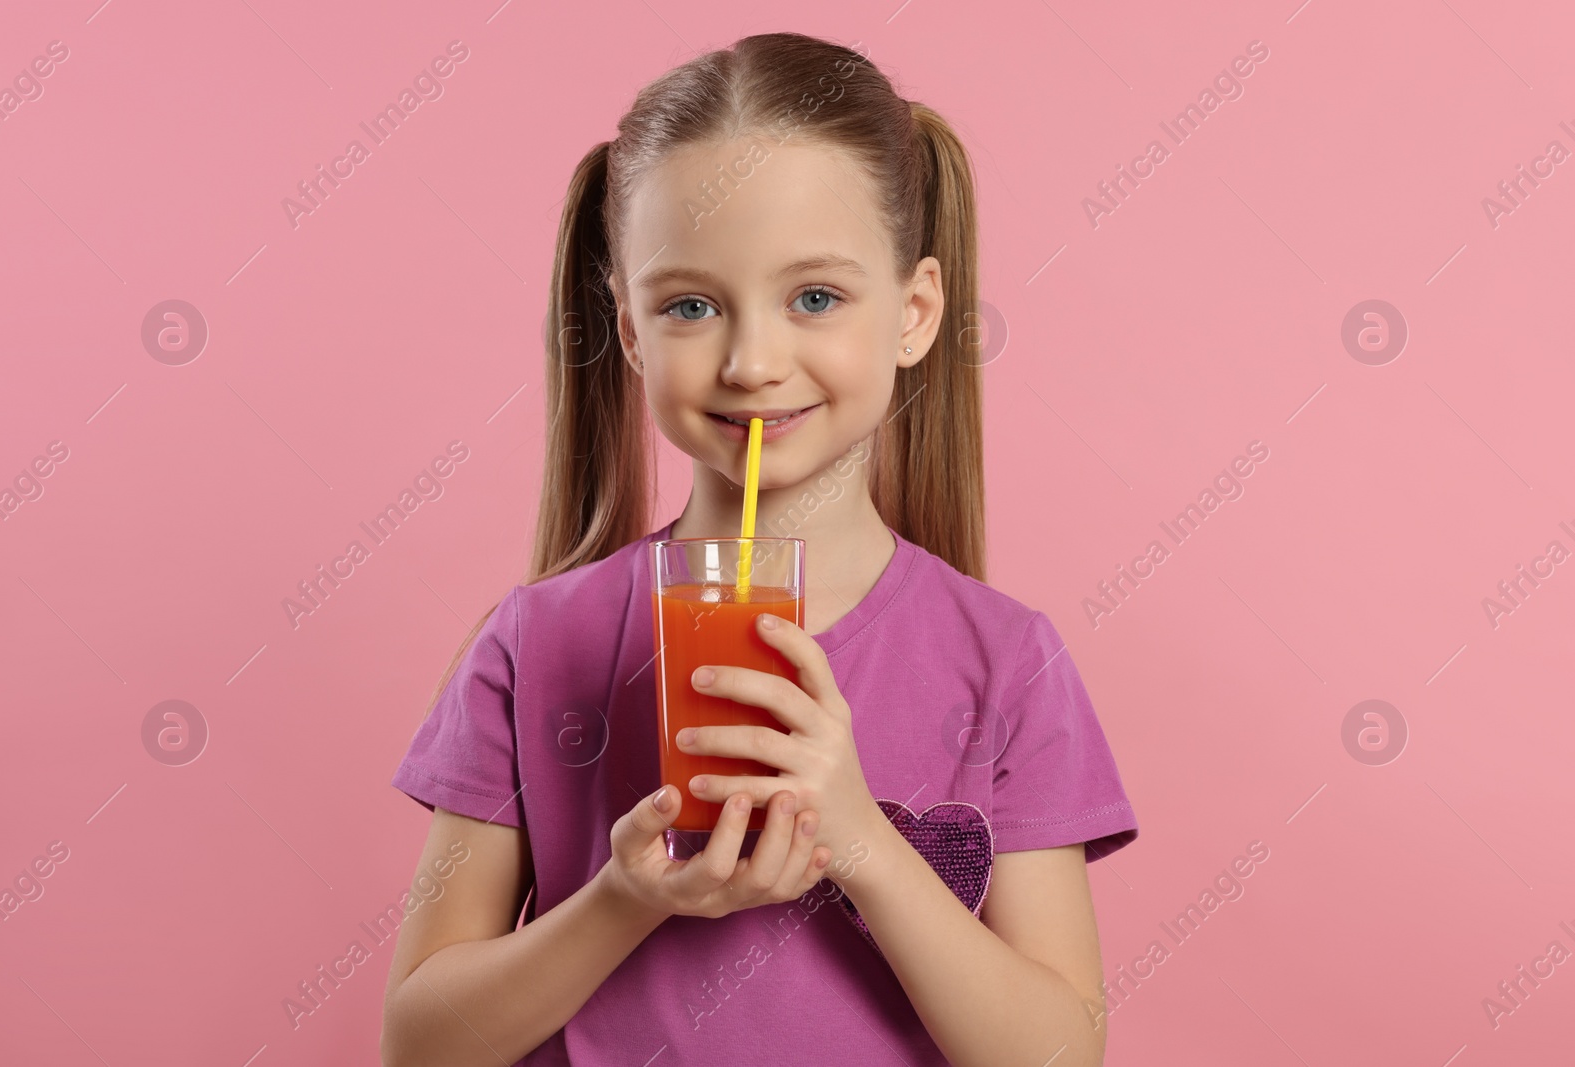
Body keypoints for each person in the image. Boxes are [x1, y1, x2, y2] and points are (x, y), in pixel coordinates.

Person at [379, 31, 1138, 1067]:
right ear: (632, 333)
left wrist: (860, 837)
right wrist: (624, 899)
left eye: (814, 297)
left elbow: (1057, 1052)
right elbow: (420, 1043)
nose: (750, 360)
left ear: (914, 313)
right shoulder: (538, 641)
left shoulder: (1008, 661)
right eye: (690, 305)